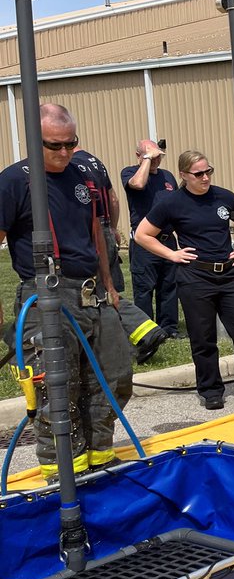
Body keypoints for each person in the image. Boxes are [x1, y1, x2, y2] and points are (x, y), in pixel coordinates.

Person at [0, 103, 132, 479]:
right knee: (58, 391)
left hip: (92, 292)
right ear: (33, 141)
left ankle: (100, 459)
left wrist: (108, 284)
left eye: (70, 144)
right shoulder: (14, 182)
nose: (63, 153)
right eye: (54, 145)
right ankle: (64, 474)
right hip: (46, 296)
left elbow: (96, 232)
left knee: (113, 377)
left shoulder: (83, 175)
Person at [134, 150, 234, 409]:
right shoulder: (172, 202)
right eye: (198, 173)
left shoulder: (224, 197)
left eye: (208, 171)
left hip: (230, 274)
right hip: (195, 276)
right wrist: (172, 254)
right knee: (203, 337)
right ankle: (211, 391)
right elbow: (142, 235)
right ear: (184, 175)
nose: (205, 178)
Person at [73, 144, 171, 365]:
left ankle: (140, 335)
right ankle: (142, 332)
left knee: (98, 293)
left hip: (86, 233)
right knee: (109, 290)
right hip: (105, 229)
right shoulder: (95, 163)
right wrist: (112, 229)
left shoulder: (70, 167)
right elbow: (114, 200)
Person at [122, 138, 180, 339]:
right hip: (144, 242)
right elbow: (138, 184)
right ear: (139, 156)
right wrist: (147, 158)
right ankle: (148, 332)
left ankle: (169, 328)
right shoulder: (130, 172)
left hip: (167, 240)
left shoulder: (168, 177)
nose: (156, 161)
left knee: (169, 286)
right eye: (152, 156)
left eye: (158, 157)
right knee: (144, 289)